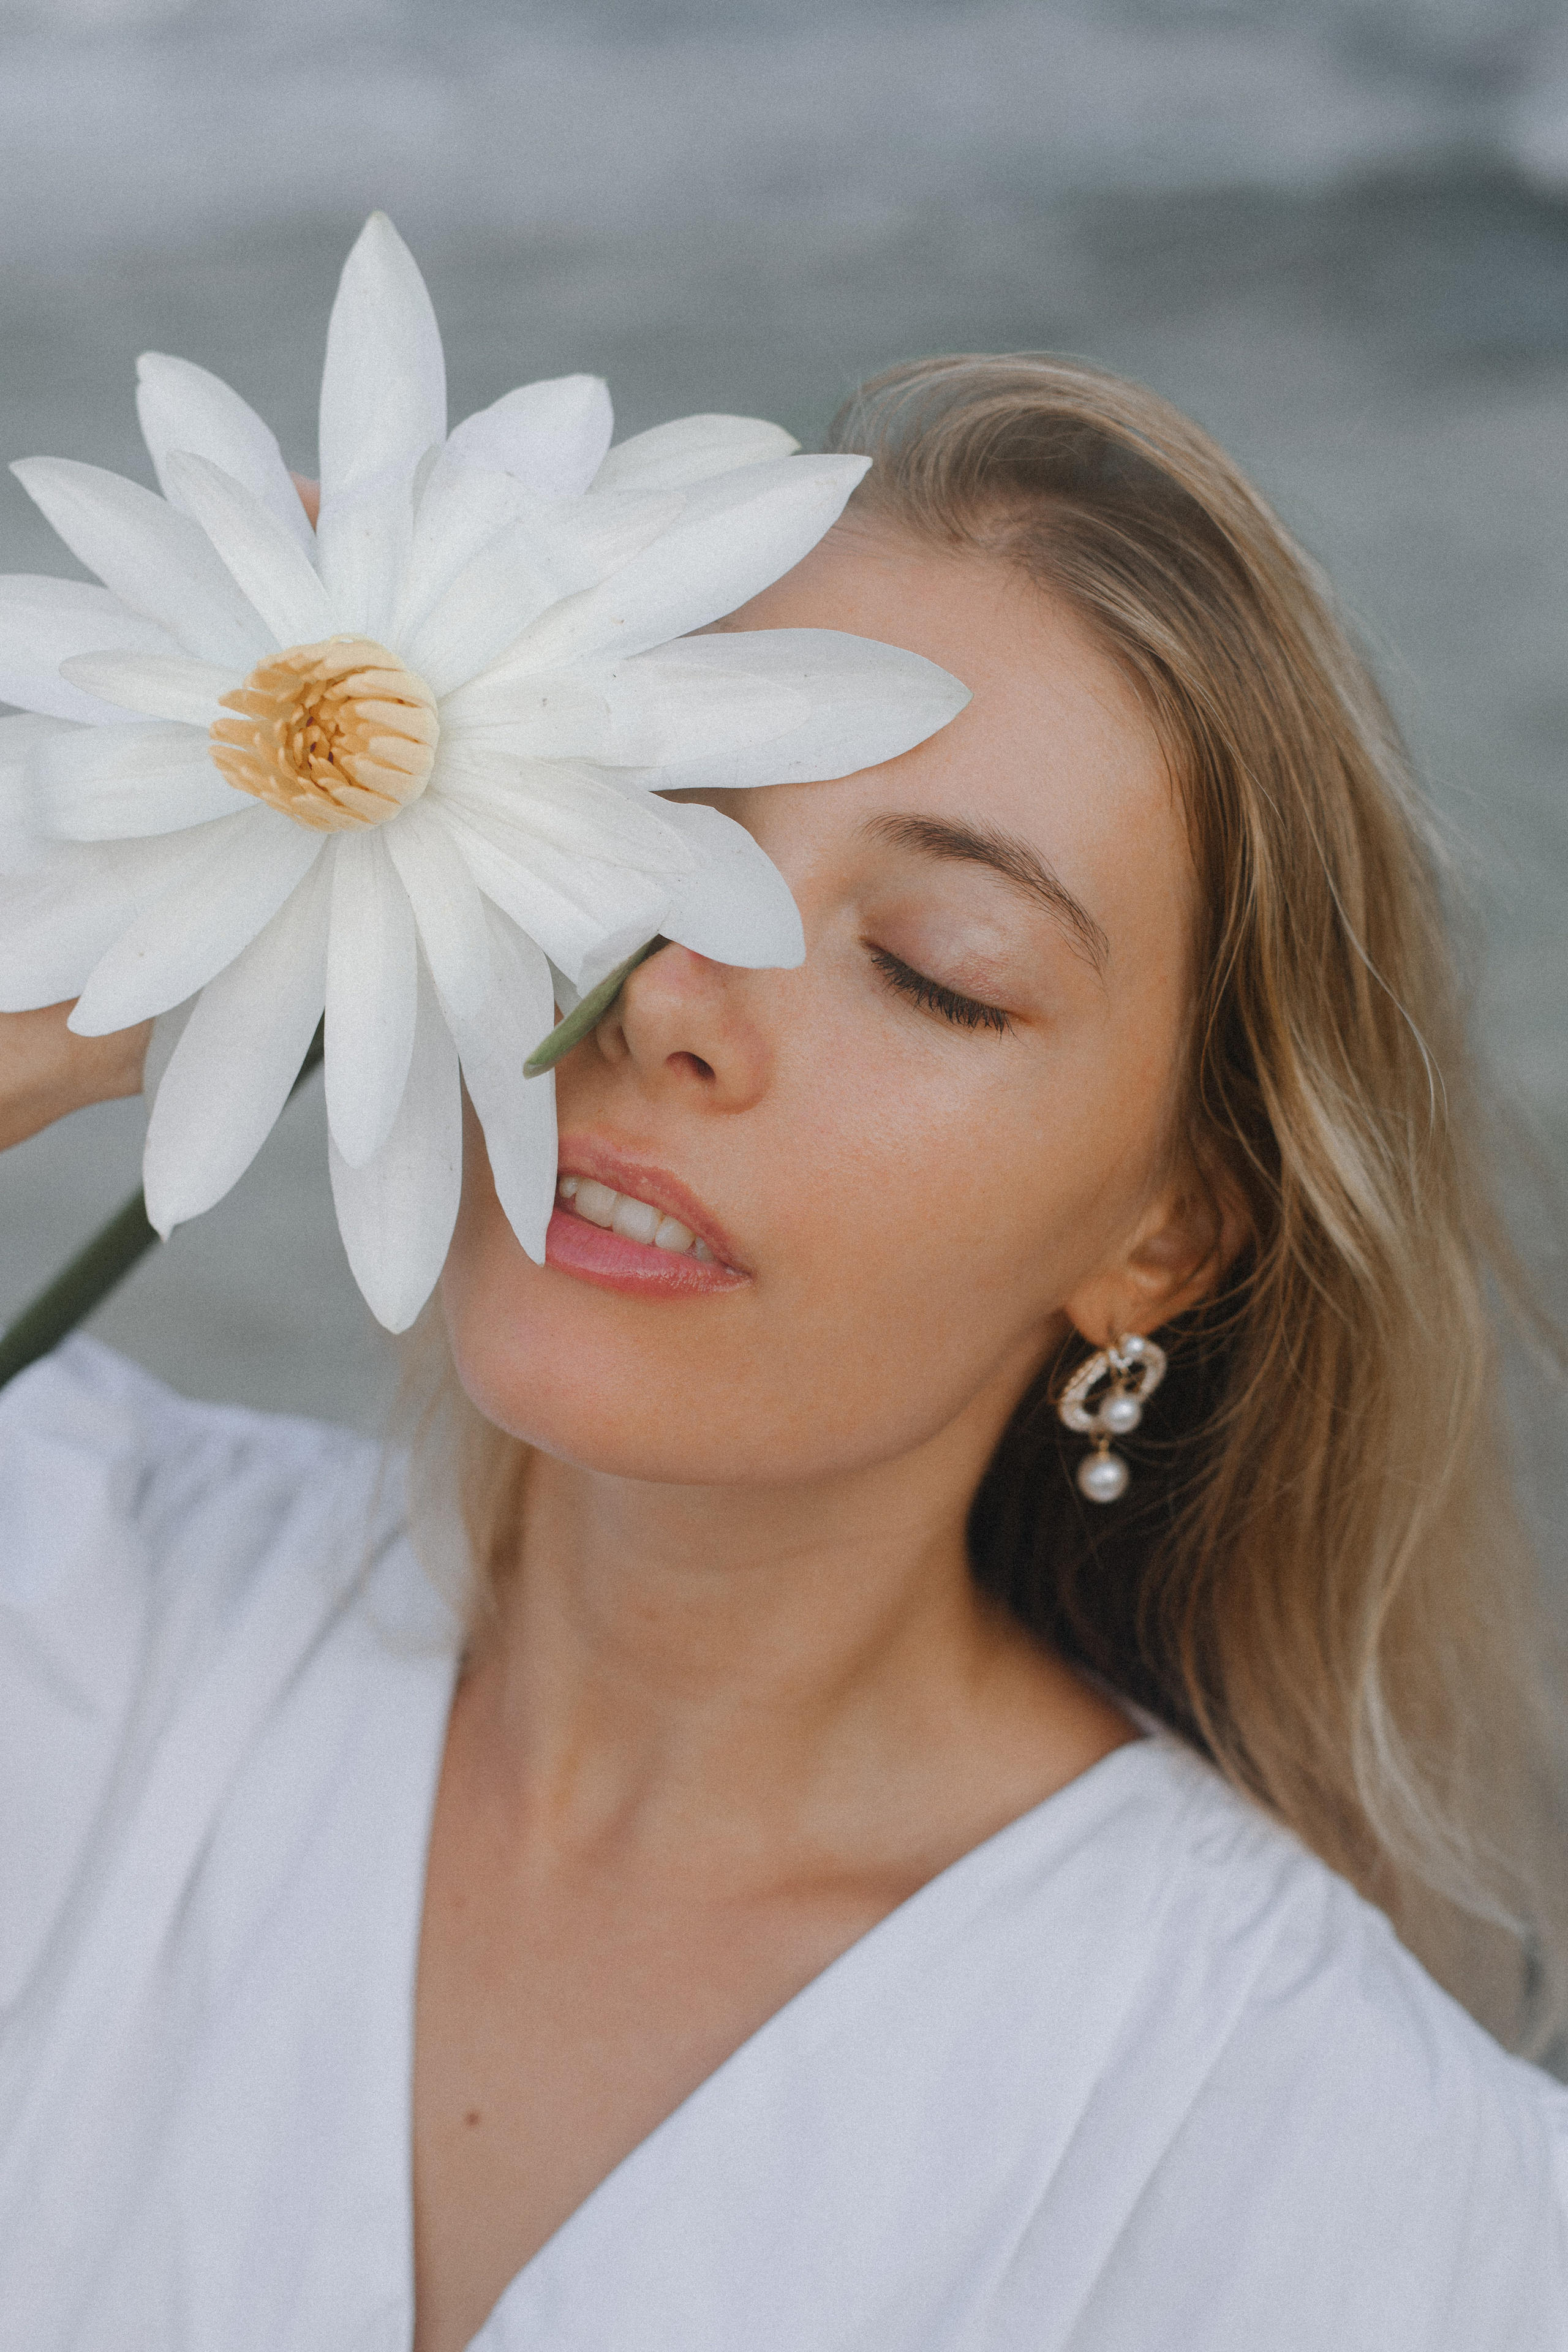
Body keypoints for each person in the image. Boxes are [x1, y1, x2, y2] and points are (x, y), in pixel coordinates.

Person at [2, 355, 1566, 2352]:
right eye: (643, 842)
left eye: (933, 968)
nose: (672, 1001)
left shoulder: (1333, 2177)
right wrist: (130, 886)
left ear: (1162, 1239)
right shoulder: (73, 1607)